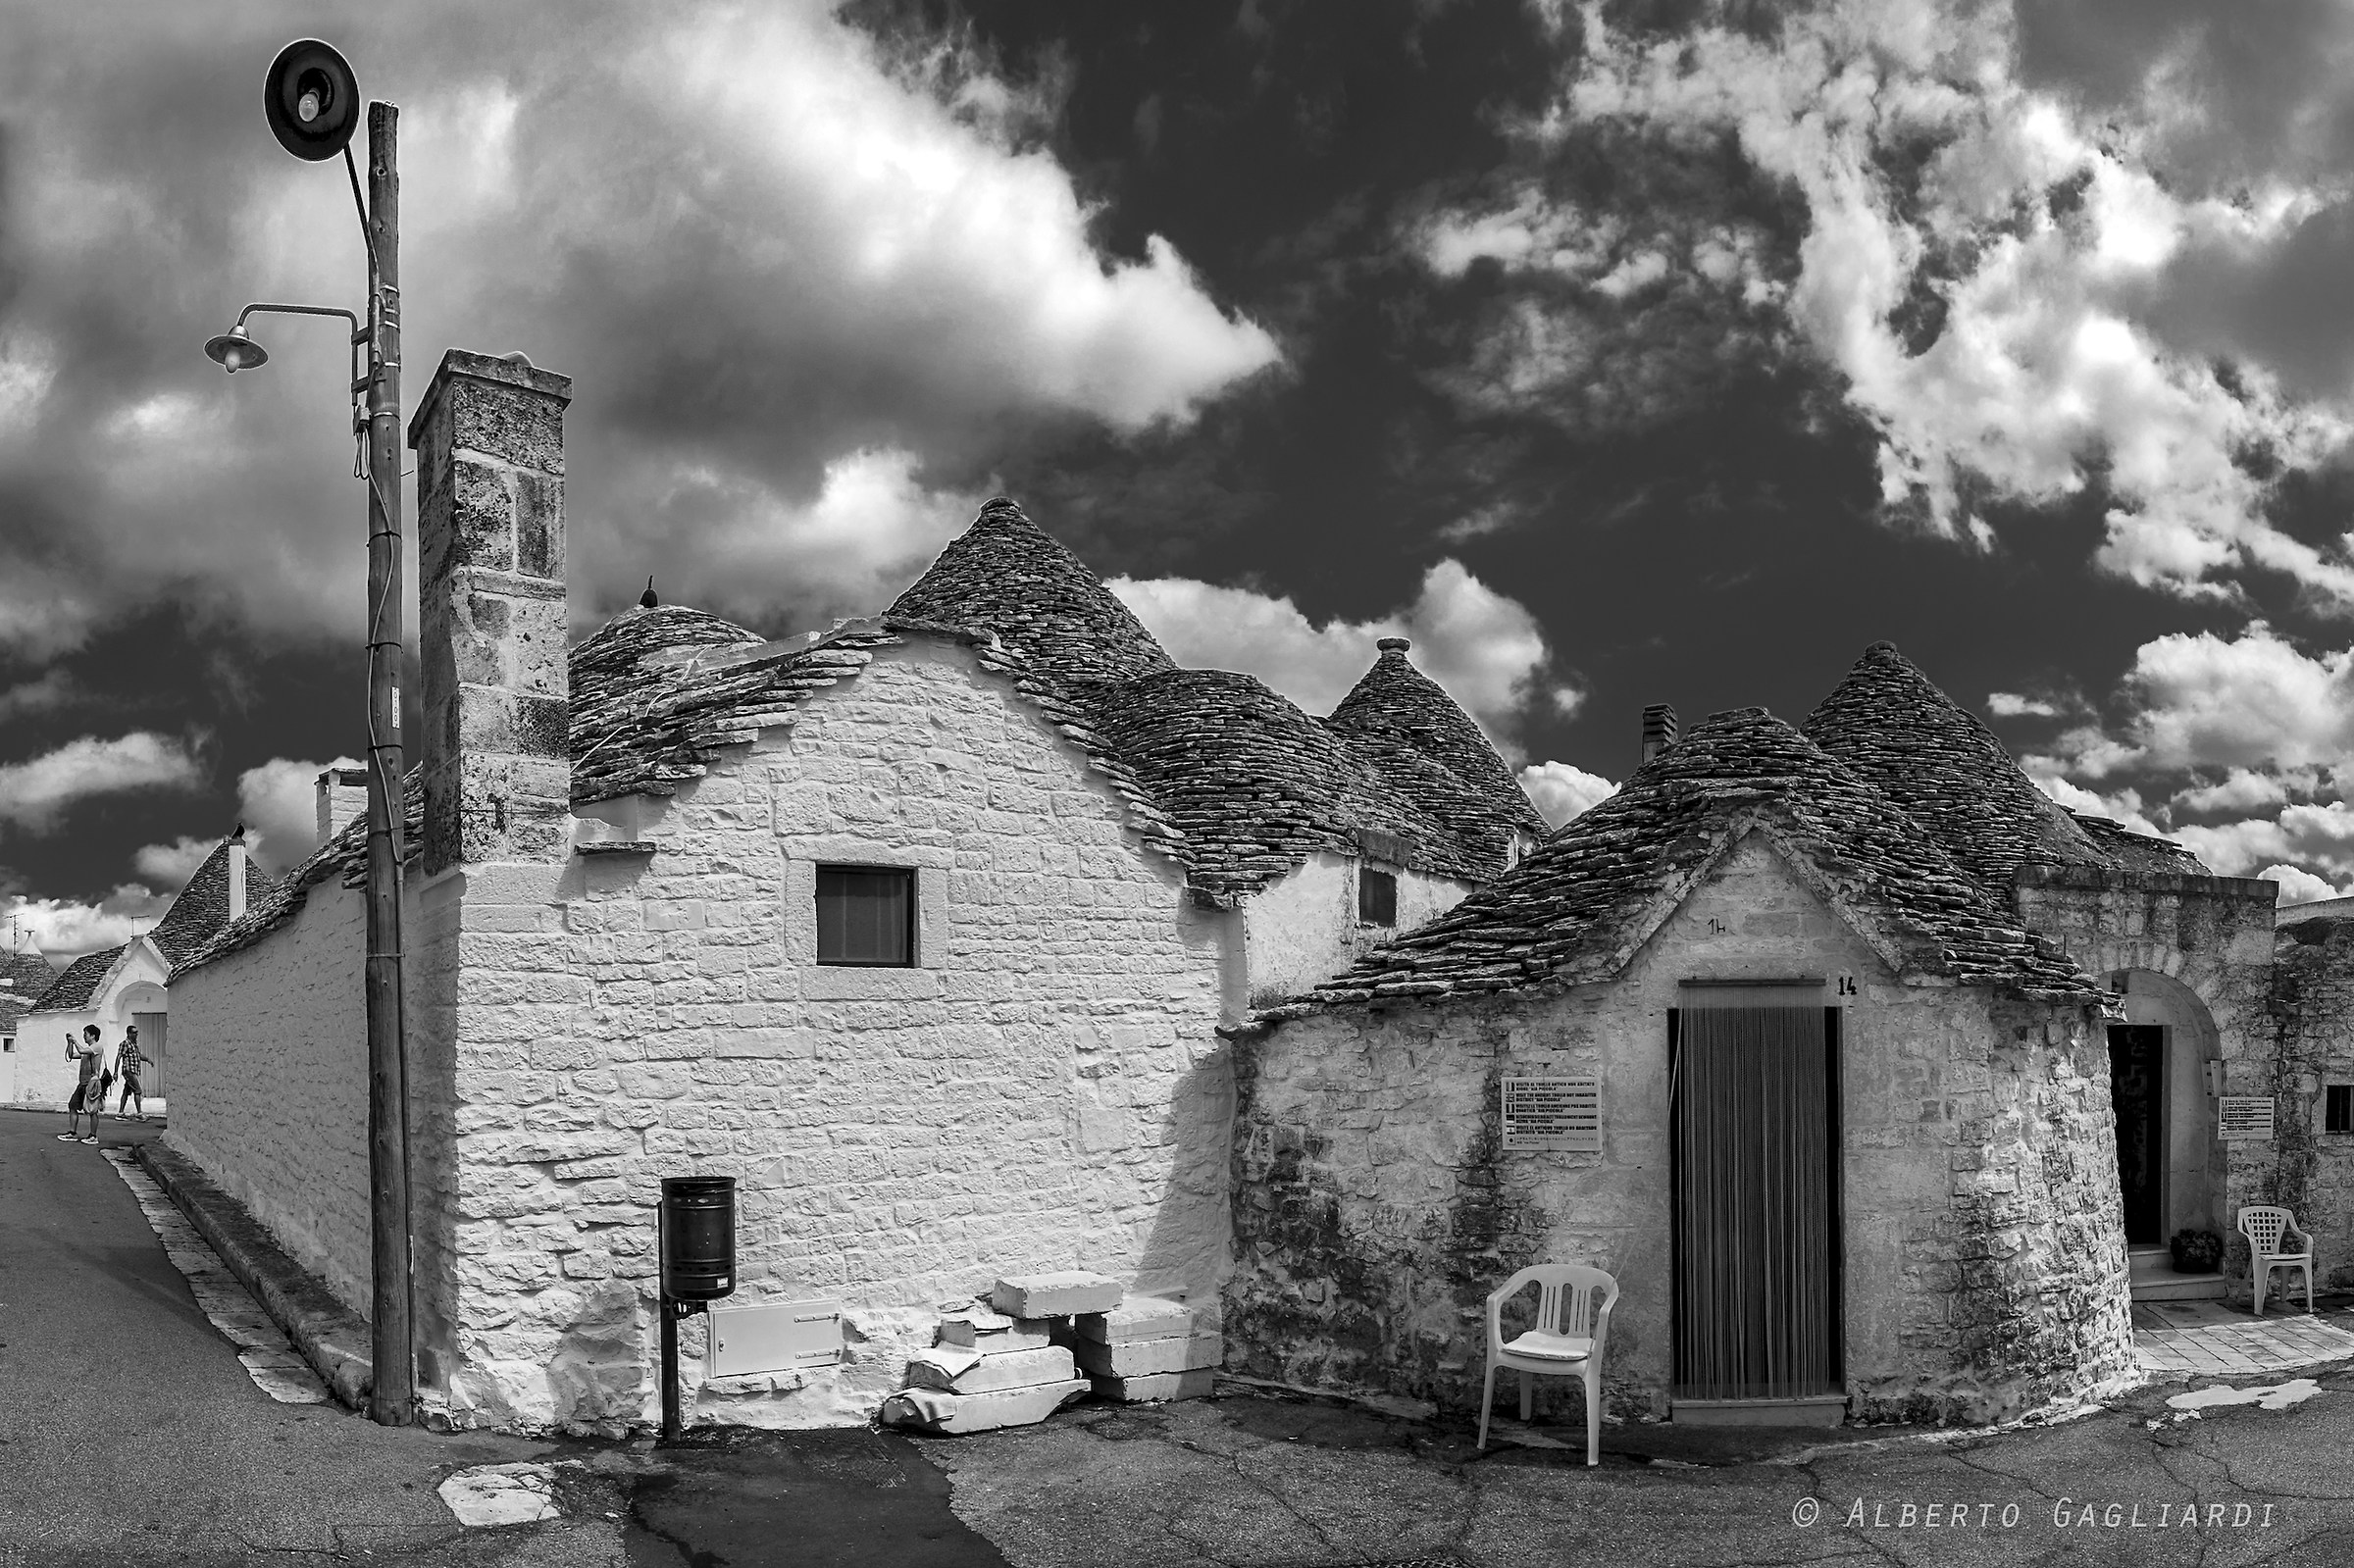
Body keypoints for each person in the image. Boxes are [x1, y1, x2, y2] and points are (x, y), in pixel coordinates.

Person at [57, 1025, 107, 1143]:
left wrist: (75, 1041)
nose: (84, 1036)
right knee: (73, 1106)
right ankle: (72, 1132)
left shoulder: (97, 1047)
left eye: (86, 1034)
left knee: (92, 1110)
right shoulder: (87, 1049)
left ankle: (93, 1136)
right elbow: (71, 1055)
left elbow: (81, 1050)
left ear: (93, 1035)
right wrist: (69, 1043)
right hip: (82, 1083)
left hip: (92, 1083)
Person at [114, 1025, 146, 1122]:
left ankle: (120, 1113)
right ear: (129, 1033)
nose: (136, 1034)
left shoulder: (134, 1044)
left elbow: (138, 1056)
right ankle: (139, 1113)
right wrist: (115, 1071)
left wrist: (148, 1060)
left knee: (126, 1091)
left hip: (133, 1070)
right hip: (129, 1071)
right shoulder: (125, 1044)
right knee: (138, 1090)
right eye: (134, 1032)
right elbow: (119, 1056)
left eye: (137, 1032)